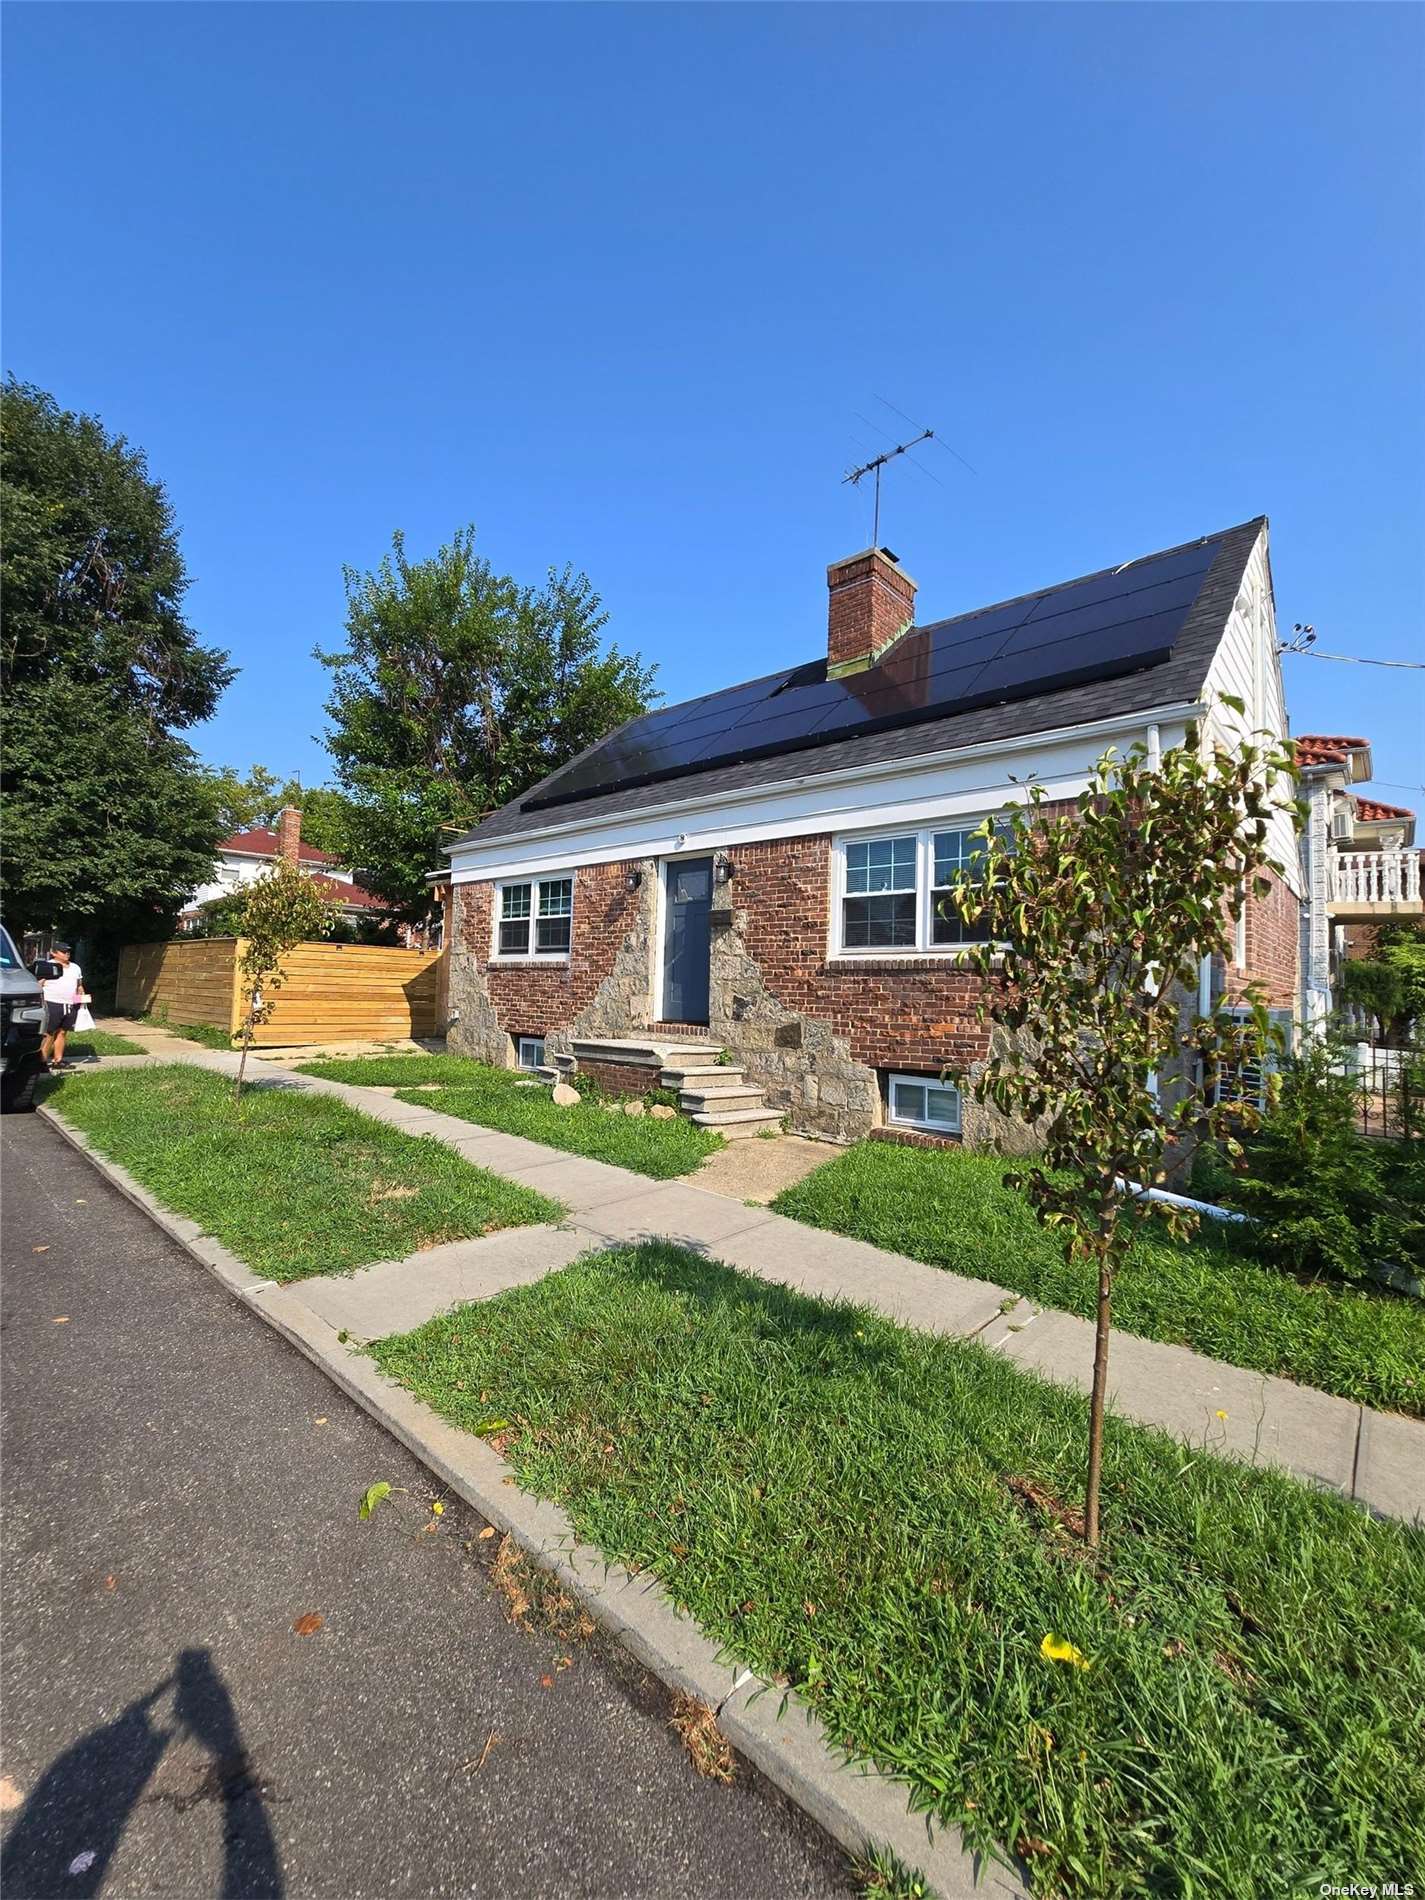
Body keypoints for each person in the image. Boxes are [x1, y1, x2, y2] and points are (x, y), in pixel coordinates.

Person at [40, 943, 86, 1070]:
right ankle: (42, 1061)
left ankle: (58, 1060)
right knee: (49, 1033)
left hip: (71, 1004)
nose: (67, 953)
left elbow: (79, 985)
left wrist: (81, 995)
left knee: (63, 1032)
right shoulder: (47, 966)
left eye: (68, 951)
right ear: (54, 953)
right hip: (52, 1003)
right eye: (63, 951)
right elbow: (39, 984)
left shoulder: (75, 968)